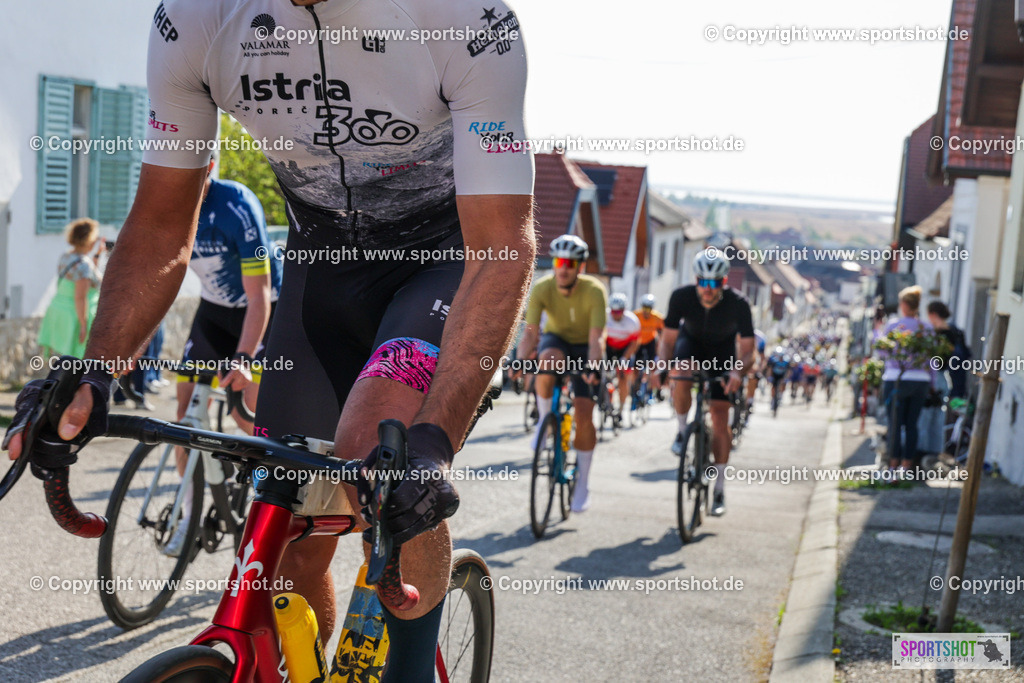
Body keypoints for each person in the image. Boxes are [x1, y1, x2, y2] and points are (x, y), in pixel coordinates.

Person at [5, 1, 534, 679]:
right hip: (320, 270)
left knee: (378, 447)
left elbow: (501, 247)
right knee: (280, 535)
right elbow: (165, 221)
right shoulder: (195, 20)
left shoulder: (463, 18)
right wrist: (95, 370)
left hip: (442, 261)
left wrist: (431, 441)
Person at [163, 157, 283, 557]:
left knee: (246, 413)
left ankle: (271, 508)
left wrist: (244, 357)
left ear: (211, 164)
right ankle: (189, 513)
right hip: (213, 313)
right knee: (183, 419)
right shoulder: (164, 198)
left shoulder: (236, 205)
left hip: (261, 310)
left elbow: (258, 295)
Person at [660, 249, 755, 517]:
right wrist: (661, 364)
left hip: (723, 354)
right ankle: (681, 430)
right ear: (696, 279)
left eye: (715, 283)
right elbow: (667, 341)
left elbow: (748, 350)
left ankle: (719, 487)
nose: (708, 289)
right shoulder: (681, 297)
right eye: (703, 281)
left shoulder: (739, 304)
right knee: (681, 373)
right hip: (690, 346)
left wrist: (737, 372)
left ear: (724, 282)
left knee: (720, 417)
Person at [519, 235, 606, 512]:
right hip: (557, 341)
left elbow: (596, 339)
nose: (563, 268)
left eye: (569, 263)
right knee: (546, 359)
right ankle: (546, 418)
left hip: (584, 347)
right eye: (559, 262)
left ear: (579, 267)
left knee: (583, 414)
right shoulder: (543, 287)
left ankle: (583, 482)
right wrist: (519, 362)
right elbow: (530, 333)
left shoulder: (594, 290)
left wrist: (593, 367)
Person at [875, 285, 933, 472]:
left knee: (895, 424)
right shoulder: (926, 327)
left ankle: (893, 466)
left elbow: (881, 351)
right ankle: (907, 467)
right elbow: (932, 359)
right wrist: (931, 383)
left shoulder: (894, 325)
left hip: (896, 378)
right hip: (921, 381)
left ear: (903, 304)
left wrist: (877, 331)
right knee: (911, 425)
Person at [37, 218, 105, 358]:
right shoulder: (84, 264)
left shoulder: (66, 256)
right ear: (89, 239)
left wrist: (97, 255)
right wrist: (83, 325)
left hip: (59, 311)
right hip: (74, 316)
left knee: (61, 362)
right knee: (75, 364)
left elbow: (85, 274)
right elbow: (80, 297)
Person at [605, 293, 641, 416]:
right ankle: (603, 395)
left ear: (624, 310)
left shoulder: (632, 321)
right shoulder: (604, 316)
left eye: (619, 312)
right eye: (613, 312)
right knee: (600, 371)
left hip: (624, 349)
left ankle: (620, 409)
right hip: (608, 346)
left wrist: (624, 358)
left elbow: (635, 343)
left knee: (623, 377)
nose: (615, 315)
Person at [926, 301, 970, 399]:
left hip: (941, 376)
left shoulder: (935, 334)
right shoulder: (956, 331)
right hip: (957, 378)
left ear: (933, 314)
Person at [634, 293, 665, 399]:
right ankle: (634, 389)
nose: (646, 311)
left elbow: (662, 334)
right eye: (644, 308)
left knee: (653, 367)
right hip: (638, 343)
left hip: (650, 342)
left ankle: (654, 390)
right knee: (635, 368)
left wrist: (660, 349)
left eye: (649, 308)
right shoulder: (636, 316)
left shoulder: (657, 318)